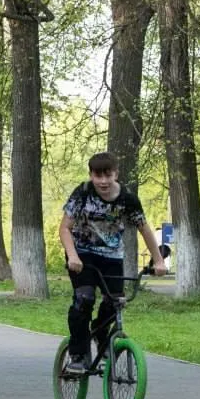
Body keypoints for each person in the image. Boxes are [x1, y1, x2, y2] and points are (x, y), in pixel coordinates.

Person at [58, 152, 168, 375]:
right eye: (98, 176)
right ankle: (78, 354)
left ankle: (100, 334)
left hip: (111, 256)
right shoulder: (83, 193)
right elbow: (64, 228)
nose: (103, 181)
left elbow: (144, 228)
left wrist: (158, 260)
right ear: (91, 176)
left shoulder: (127, 198)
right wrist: (72, 256)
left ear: (116, 174)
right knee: (84, 298)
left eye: (108, 175)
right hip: (83, 254)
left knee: (115, 301)